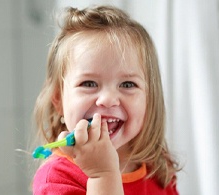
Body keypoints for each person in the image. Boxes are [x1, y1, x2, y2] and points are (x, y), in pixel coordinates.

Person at [32, 5, 180, 195]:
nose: (108, 100)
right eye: (89, 83)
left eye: (127, 84)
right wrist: (102, 175)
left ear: (149, 100)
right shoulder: (56, 179)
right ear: (58, 99)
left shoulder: (158, 170)